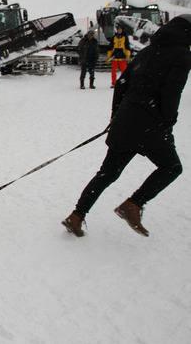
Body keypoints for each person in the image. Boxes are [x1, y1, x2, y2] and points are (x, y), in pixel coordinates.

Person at [62, 14, 191, 238]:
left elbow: (122, 83)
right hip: (151, 123)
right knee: (172, 168)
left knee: (107, 173)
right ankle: (133, 204)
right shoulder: (182, 55)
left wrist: (116, 116)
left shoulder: (148, 51)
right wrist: (169, 121)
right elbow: (172, 92)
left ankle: (77, 215)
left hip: (126, 120)